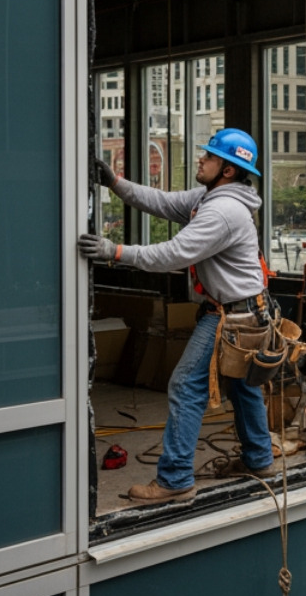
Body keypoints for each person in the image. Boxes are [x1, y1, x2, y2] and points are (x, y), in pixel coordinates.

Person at [78, 129, 273, 503]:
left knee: (186, 386)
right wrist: (115, 183)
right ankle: (259, 459)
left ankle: (175, 479)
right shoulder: (211, 196)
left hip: (230, 317)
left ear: (228, 170)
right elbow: (163, 202)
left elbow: (173, 254)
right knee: (242, 386)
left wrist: (113, 251)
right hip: (245, 313)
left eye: (209, 157)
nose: (201, 160)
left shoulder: (223, 210)